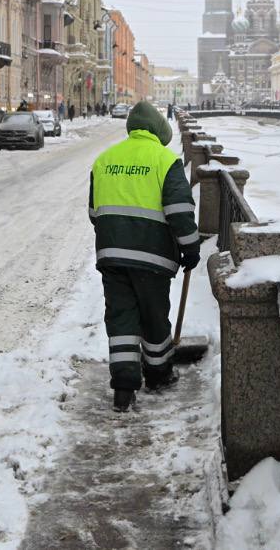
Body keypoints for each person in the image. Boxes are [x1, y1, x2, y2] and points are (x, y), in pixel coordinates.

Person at [88, 101, 200, 413]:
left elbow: (94, 212)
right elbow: (180, 212)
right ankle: (159, 375)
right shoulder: (165, 160)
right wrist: (190, 248)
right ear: (159, 132)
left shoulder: (105, 159)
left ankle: (124, 387)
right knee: (153, 319)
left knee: (121, 319)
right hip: (152, 258)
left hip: (111, 255)